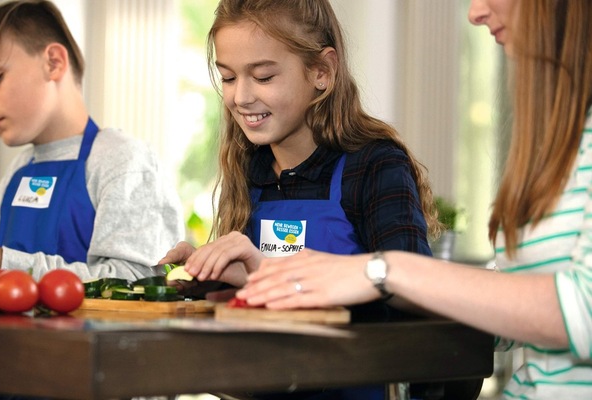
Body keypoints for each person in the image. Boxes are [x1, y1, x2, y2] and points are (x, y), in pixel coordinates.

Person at [238, 0, 592, 398]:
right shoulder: (568, 138)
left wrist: (381, 271)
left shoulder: (375, 163)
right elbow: (511, 317)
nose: (475, 12)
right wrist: (263, 275)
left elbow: (584, 310)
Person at [160, 0, 437, 307]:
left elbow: (417, 290)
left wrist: (266, 269)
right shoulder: (252, 168)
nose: (241, 97)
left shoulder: (374, 165)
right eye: (228, 78)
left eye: (263, 77)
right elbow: (256, 297)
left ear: (322, 71)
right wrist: (216, 273)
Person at [0, 0, 184, 283]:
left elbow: (138, 283)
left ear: (53, 62)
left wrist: (3, 262)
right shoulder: (15, 174)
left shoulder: (123, 161)